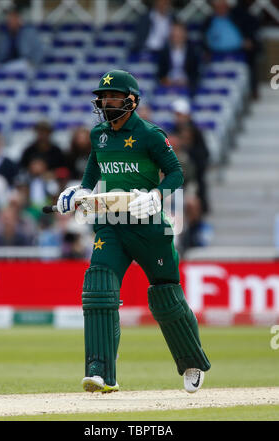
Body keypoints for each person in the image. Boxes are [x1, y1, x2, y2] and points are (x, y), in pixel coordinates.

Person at [56, 69, 211, 394]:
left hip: (149, 225)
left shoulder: (151, 135)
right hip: (110, 224)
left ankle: (191, 361)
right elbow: (93, 168)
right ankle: (101, 372)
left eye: (113, 96)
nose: (107, 102)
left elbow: (176, 173)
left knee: (165, 296)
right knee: (98, 285)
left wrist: (155, 196)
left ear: (132, 100)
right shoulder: (98, 133)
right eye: (103, 97)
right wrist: (80, 191)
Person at [202, 0, 261, 99]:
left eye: (223, 5)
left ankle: (250, 93)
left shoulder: (238, 17)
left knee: (248, 63)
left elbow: (253, 29)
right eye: (217, 5)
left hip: (237, 54)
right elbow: (203, 39)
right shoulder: (209, 21)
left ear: (227, 5)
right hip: (215, 56)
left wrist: (249, 41)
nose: (221, 8)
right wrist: (206, 50)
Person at [172, 98, 211, 214]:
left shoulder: (195, 131)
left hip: (194, 168)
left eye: (180, 114)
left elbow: (204, 152)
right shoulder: (174, 129)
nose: (178, 117)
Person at [157, 21, 201, 96]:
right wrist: (165, 80)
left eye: (179, 33)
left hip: (187, 88)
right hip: (168, 87)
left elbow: (196, 73)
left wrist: (187, 81)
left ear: (185, 34)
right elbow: (160, 73)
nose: (176, 36)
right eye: (174, 33)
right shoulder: (164, 52)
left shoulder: (193, 52)